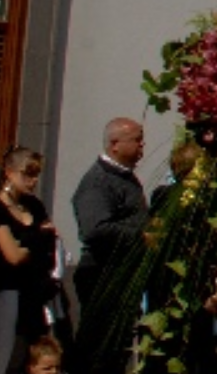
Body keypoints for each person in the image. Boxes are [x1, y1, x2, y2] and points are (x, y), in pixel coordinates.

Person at [0, 146, 60, 374]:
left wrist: (28, 242)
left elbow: (49, 243)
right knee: (5, 357)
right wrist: (36, 238)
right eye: (27, 174)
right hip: (6, 293)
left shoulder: (34, 205)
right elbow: (12, 256)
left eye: (36, 175)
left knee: (32, 357)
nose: (32, 181)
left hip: (34, 293)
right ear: (9, 171)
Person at [71, 117, 147, 313]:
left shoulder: (125, 177)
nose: (142, 144)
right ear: (115, 144)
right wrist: (141, 236)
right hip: (103, 275)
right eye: (136, 139)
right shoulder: (98, 182)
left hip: (124, 274)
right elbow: (95, 229)